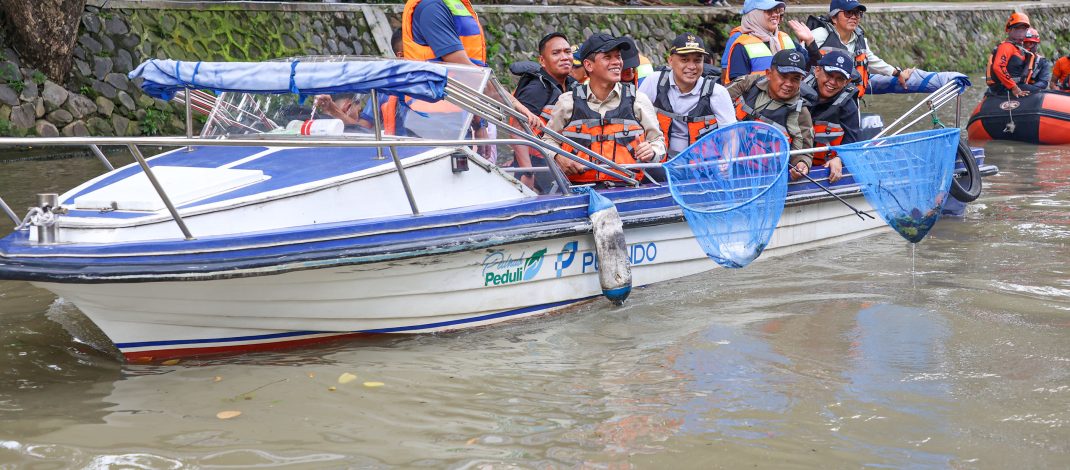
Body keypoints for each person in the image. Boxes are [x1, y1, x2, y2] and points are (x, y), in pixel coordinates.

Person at [542, 33, 666, 184]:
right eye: (608, 57)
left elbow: (658, 141)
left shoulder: (639, 100)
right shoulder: (567, 102)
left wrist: (652, 151)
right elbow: (548, 140)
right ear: (588, 65)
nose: (617, 63)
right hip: (578, 191)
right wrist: (558, 156)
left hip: (627, 189)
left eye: (618, 57)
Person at [401, 0, 539, 127]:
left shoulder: (455, 4)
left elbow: (474, 70)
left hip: (461, 112)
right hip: (433, 118)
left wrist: (480, 122)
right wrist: (512, 104)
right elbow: (465, 69)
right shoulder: (432, 7)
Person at [638, 33, 737, 157]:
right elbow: (635, 119)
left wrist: (726, 163)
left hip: (701, 167)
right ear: (670, 61)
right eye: (684, 60)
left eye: (697, 60)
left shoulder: (718, 93)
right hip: (660, 162)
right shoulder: (654, 82)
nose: (691, 67)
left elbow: (731, 136)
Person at [789, 0, 912, 97]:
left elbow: (873, 61)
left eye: (857, 13)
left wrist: (897, 73)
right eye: (848, 13)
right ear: (833, 18)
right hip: (817, 97)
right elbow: (799, 61)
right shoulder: (818, 35)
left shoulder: (860, 39)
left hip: (847, 98)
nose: (854, 17)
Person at [727, 49, 814, 180]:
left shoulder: (800, 112)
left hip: (766, 175)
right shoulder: (747, 84)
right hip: (727, 163)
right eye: (783, 77)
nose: (788, 84)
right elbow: (716, 101)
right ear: (769, 73)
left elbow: (804, 153)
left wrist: (802, 164)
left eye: (795, 79)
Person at [511, 32, 578, 190]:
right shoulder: (537, 88)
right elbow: (516, 129)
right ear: (542, 60)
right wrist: (528, 172)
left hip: (562, 163)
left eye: (567, 52)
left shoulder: (573, 84)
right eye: (556, 53)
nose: (564, 57)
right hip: (539, 170)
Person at [314, 29, 409, 135]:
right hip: (400, 149)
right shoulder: (385, 90)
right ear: (401, 55)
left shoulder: (430, 77)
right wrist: (333, 110)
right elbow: (363, 131)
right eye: (417, 48)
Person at [804, 50, 860, 183]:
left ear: (847, 82)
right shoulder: (797, 92)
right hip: (794, 163)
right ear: (817, 71)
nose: (832, 82)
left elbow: (852, 142)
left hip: (823, 167)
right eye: (829, 75)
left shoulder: (848, 106)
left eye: (840, 79)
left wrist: (840, 159)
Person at [721, 0, 808, 85]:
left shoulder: (783, 38)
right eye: (769, 11)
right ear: (754, 15)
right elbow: (733, 83)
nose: (775, 15)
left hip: (787, 98)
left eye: (777, 11)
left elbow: (811, 67)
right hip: (757, 98)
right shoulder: (740, 41)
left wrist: (810, 42)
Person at [985, 12, 1038, 98]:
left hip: (1012, 86)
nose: (1020, 32)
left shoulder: (1019, 49)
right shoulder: (1006, 47)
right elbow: (998, 67)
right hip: (1004, 88)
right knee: (1037, 92)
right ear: (1009, 30)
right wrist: (1014, 88)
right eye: (1017, 29)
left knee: (1038, 90)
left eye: (1024, 29)